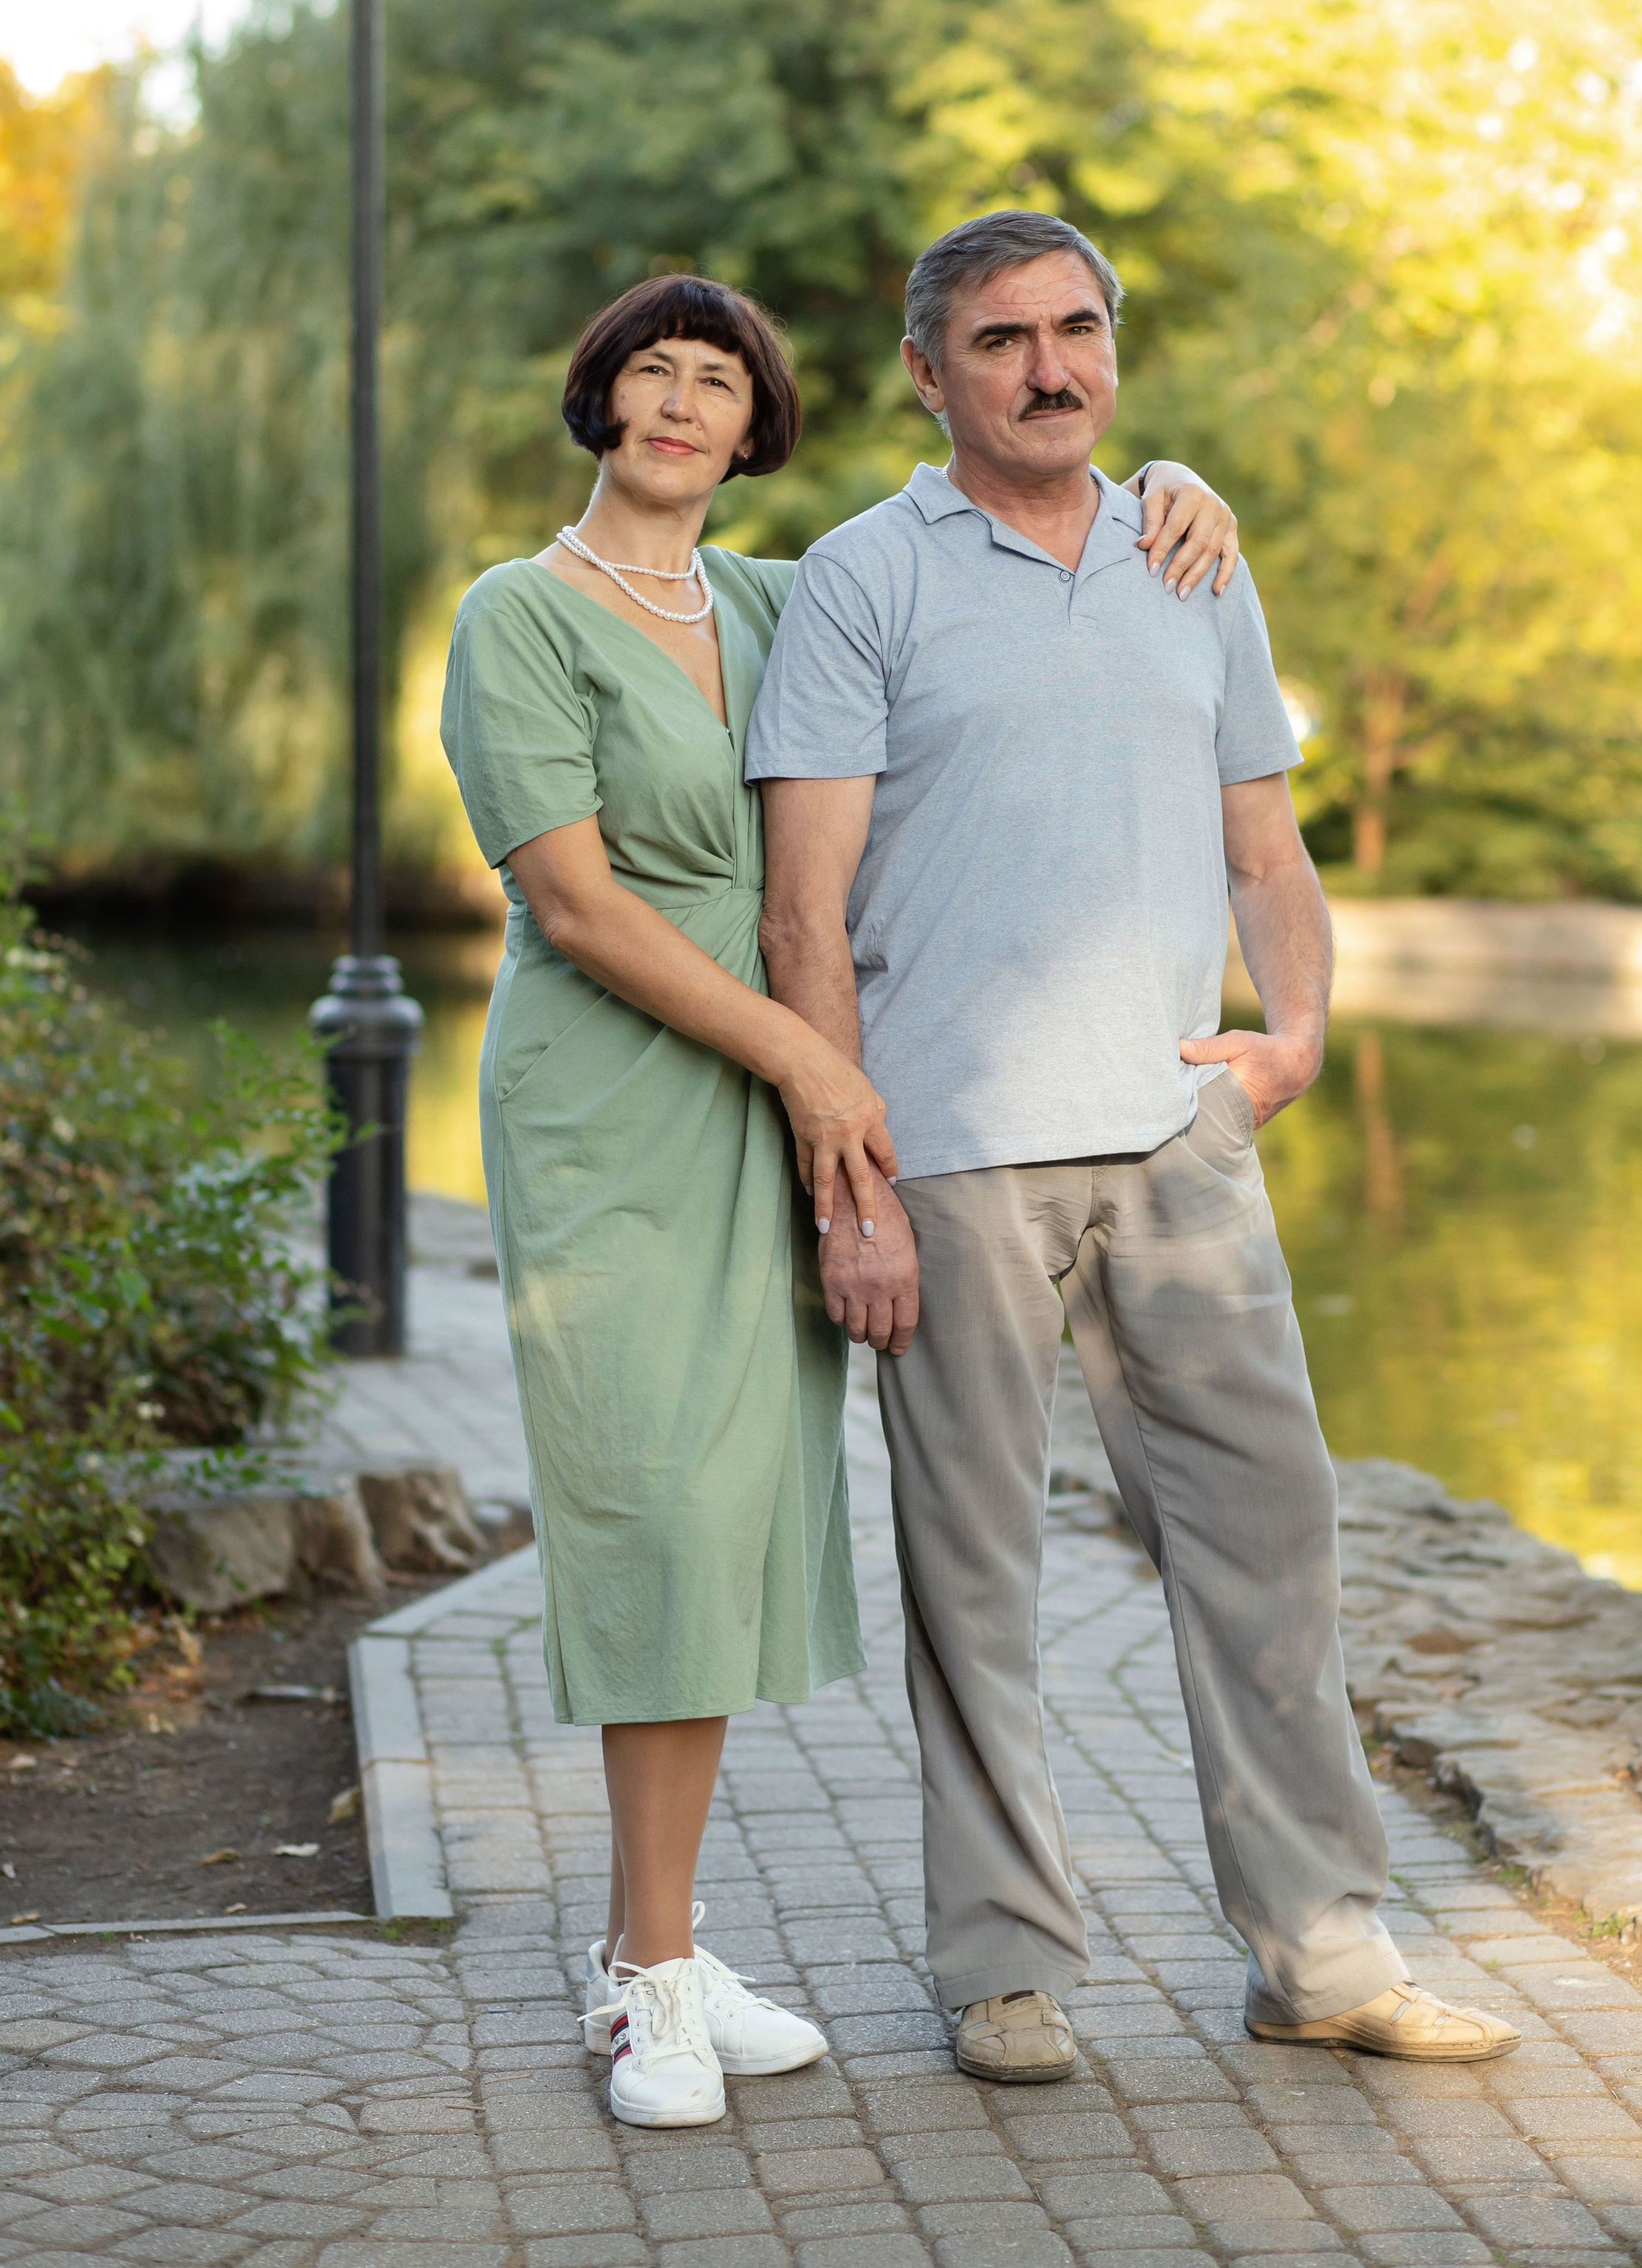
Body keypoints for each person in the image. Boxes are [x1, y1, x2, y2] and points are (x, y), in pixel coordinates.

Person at [438, 267, 1245, 2128]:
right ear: (599, 402)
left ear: (756, 426)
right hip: (622, 1100)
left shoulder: (777, 596)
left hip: (780, 1096)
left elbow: (982, 584)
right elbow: (579, 903)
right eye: (648, 372)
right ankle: (640, 1976)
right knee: (646, 1493)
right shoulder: (516, 616)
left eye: (715, 382)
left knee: (727, 1505)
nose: (677, 404)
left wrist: (1167, 491)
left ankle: (667, 1938)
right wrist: (818, 1064)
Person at [747, 210, 1522, 2081]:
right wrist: (848, 1184)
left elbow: (1266, 844)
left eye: (1076, 329)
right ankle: (1003, 1967)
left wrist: (1298, 1034)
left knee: (1272, 1532)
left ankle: (1319, 1950)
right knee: (975, 1575)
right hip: (948, 1153)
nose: (1048, 366)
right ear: (930, 374)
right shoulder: (863, 581)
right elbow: (799, 911)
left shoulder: (1192, 557)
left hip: (1180, 1140)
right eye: (1001, 338)